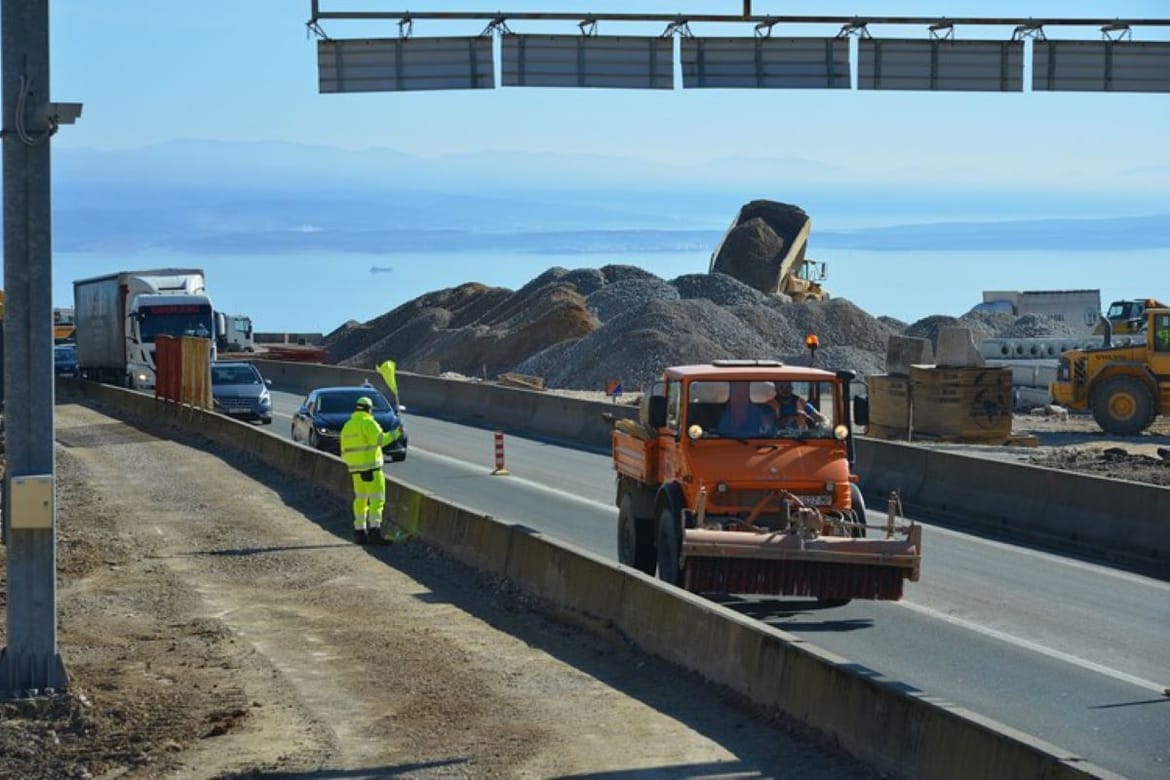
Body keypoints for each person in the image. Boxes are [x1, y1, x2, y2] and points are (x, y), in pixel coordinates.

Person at [340, 396, 403, 545]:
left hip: (355, 470)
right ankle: (374, 531)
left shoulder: (347, 426)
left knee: (360, 500)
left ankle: (359, 531)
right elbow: (380, 440)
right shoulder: (369, 423)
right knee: (377, 500)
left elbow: (343, 449)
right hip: (372, 468)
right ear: (369, 410)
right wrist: (396, 433)